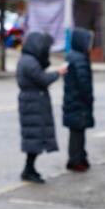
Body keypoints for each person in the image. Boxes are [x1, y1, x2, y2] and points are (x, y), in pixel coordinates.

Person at [18, 32, 66, 183]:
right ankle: (28, 170)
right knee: (35, 137)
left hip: (33, 101)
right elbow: (42, 79)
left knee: (35, 137)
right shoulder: (29, 62)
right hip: (33, 103)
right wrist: (58, 73)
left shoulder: (27, 59)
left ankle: (29, 168)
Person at [63, 28, 94, 171]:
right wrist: (89, 98)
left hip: (73, 100)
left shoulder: (73, 56)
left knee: (77, 132)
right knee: (77, 133)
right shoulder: (79, 59)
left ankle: (79, 157)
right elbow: (84, 83)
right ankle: (76, 160)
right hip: (78, 102)